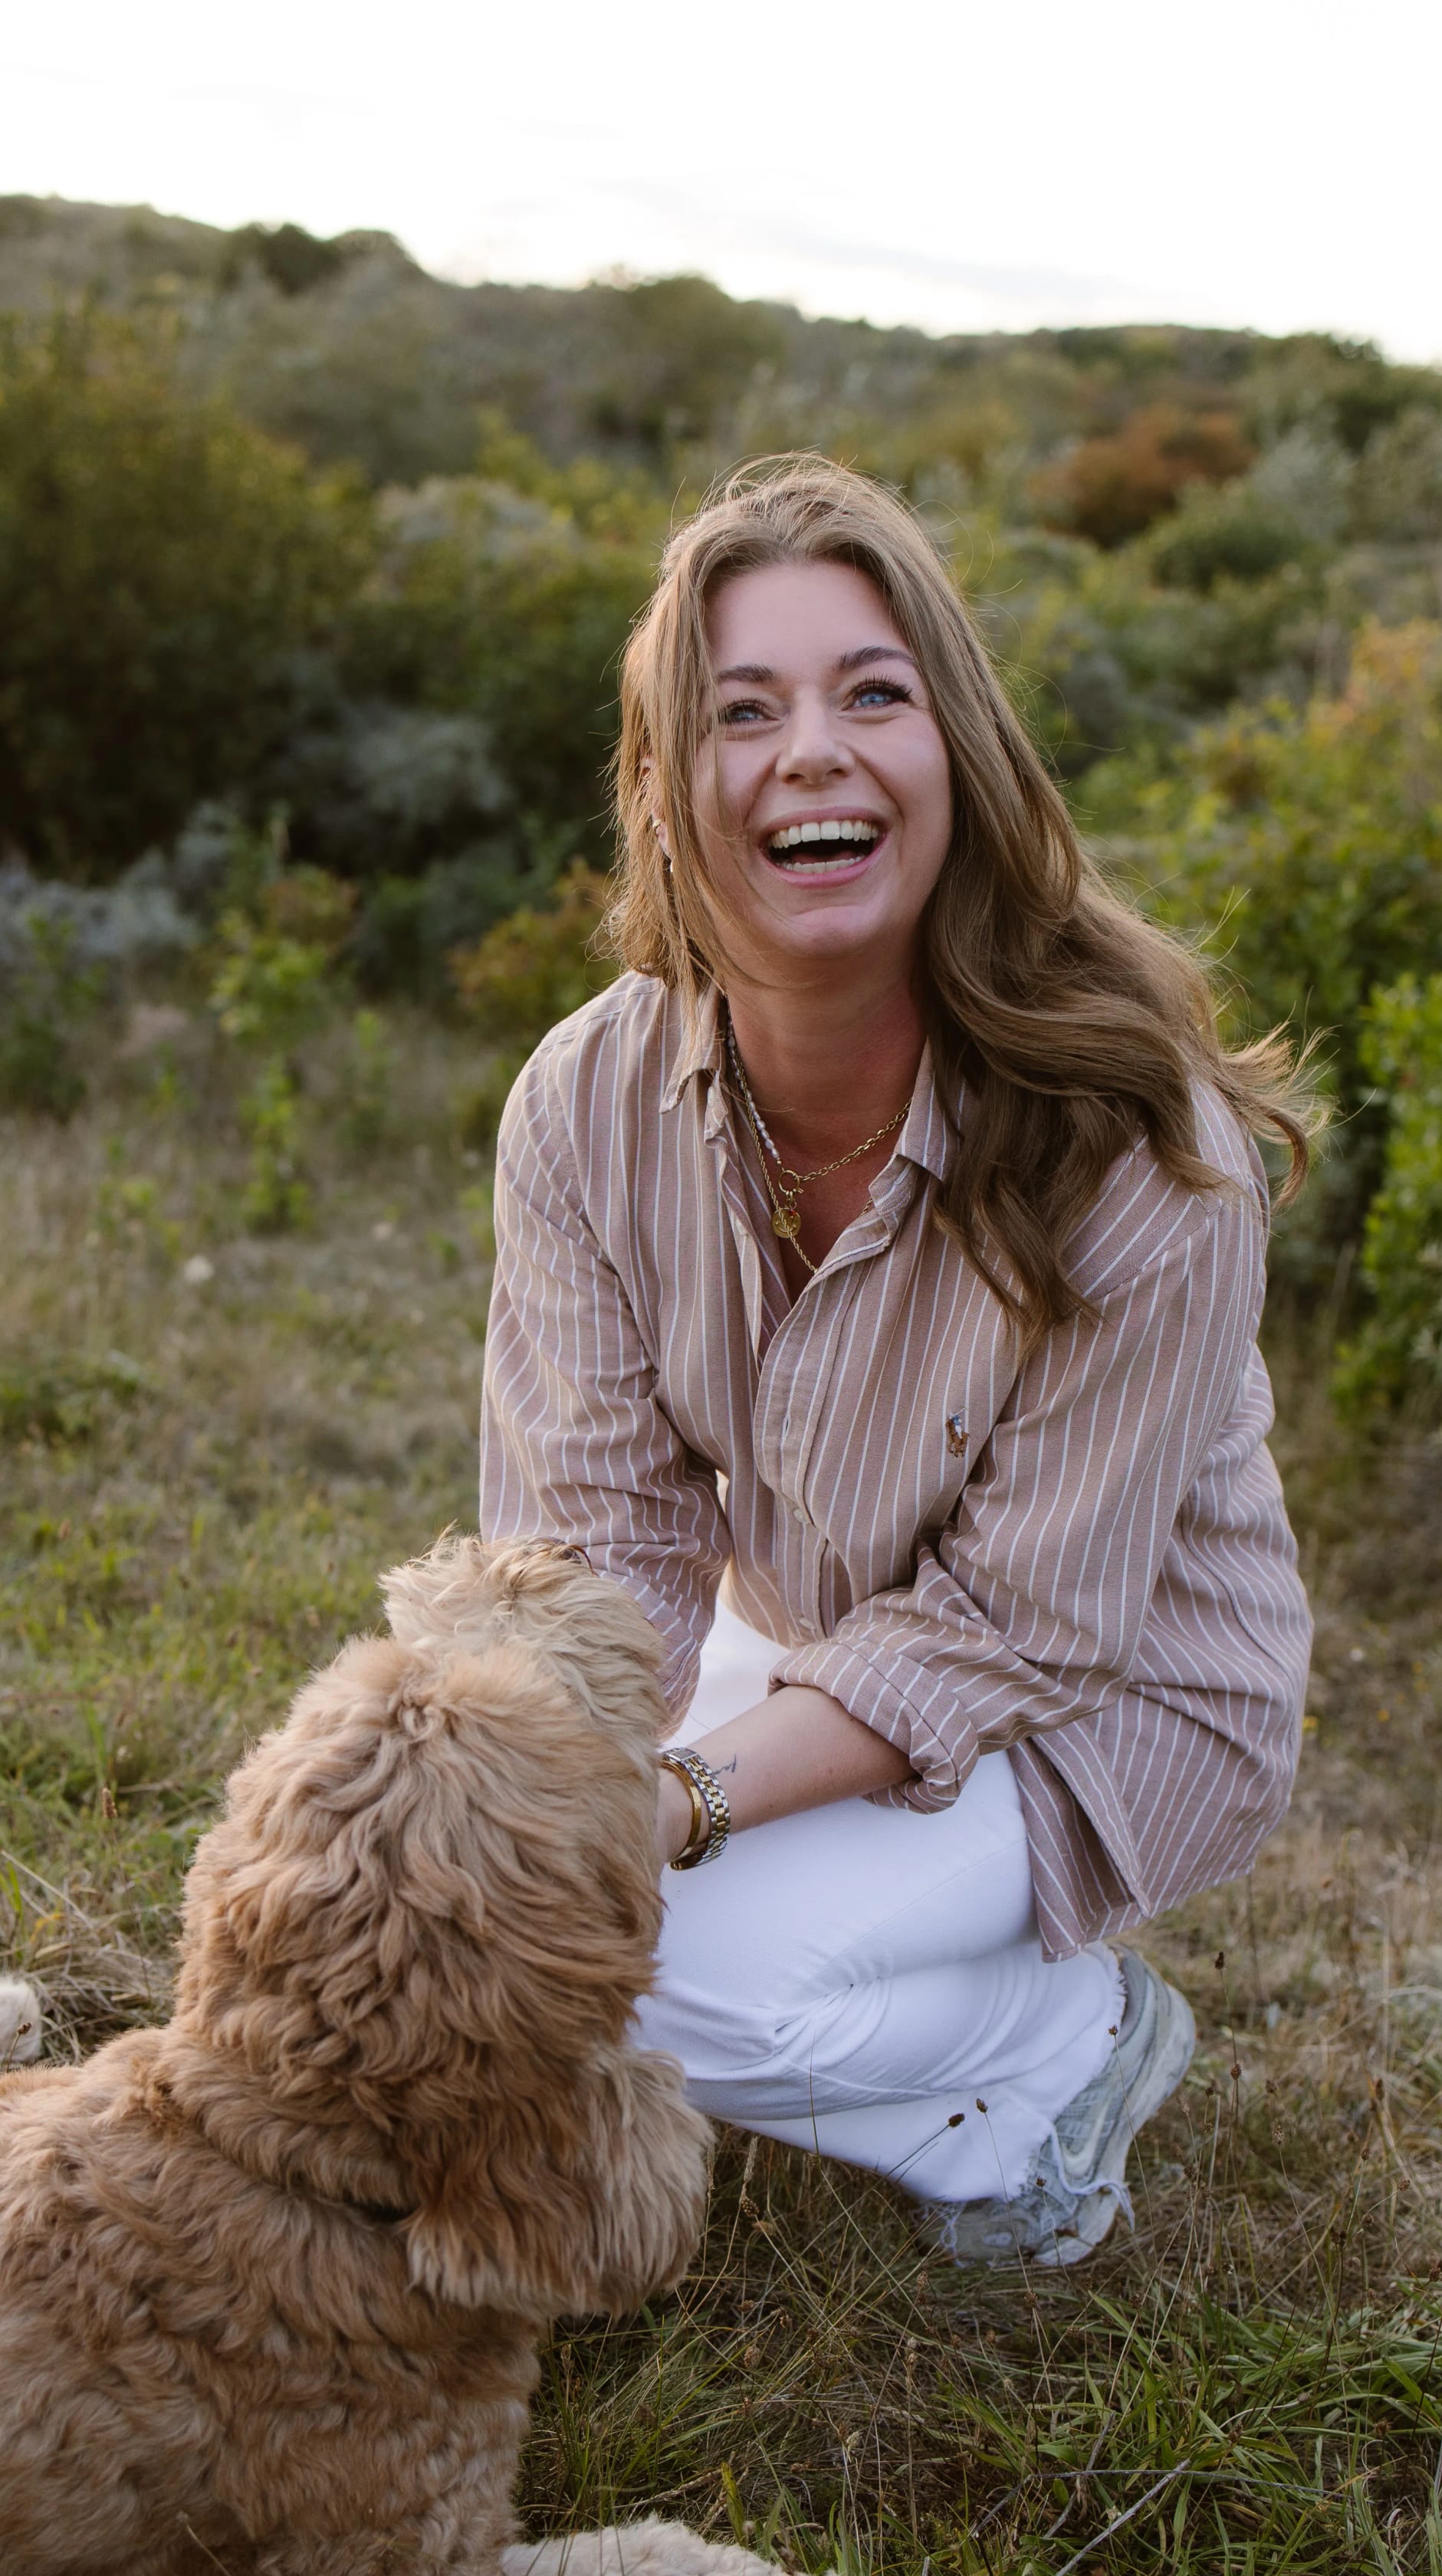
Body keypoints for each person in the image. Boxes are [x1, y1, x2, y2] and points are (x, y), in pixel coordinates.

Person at [479, 456, 1314, 2267]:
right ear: (663, 787)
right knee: (504, 1907)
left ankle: (1060, 2048)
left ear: (958, 756)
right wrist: (519, 1786)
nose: (812, 753)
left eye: (873, 693)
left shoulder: (1137, 1143)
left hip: (1106, 1694)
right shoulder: (584, 1100)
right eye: (742, 711)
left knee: (673, 1990)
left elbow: (1017, 1626)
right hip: (821, 1630)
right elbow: (599, 1546)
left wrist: (677, 1803)